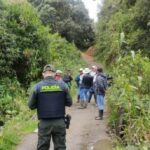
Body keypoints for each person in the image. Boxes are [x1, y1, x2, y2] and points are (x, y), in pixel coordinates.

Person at [28, 64, 72, 150]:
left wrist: (41, 103)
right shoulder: (63, 86)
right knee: (60, 147)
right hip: (60, 122)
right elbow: (69, 103)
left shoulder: (37, 87)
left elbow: (31, 105)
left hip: (44, 123)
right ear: (55, 73)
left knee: (43, 147)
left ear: (43, 74)